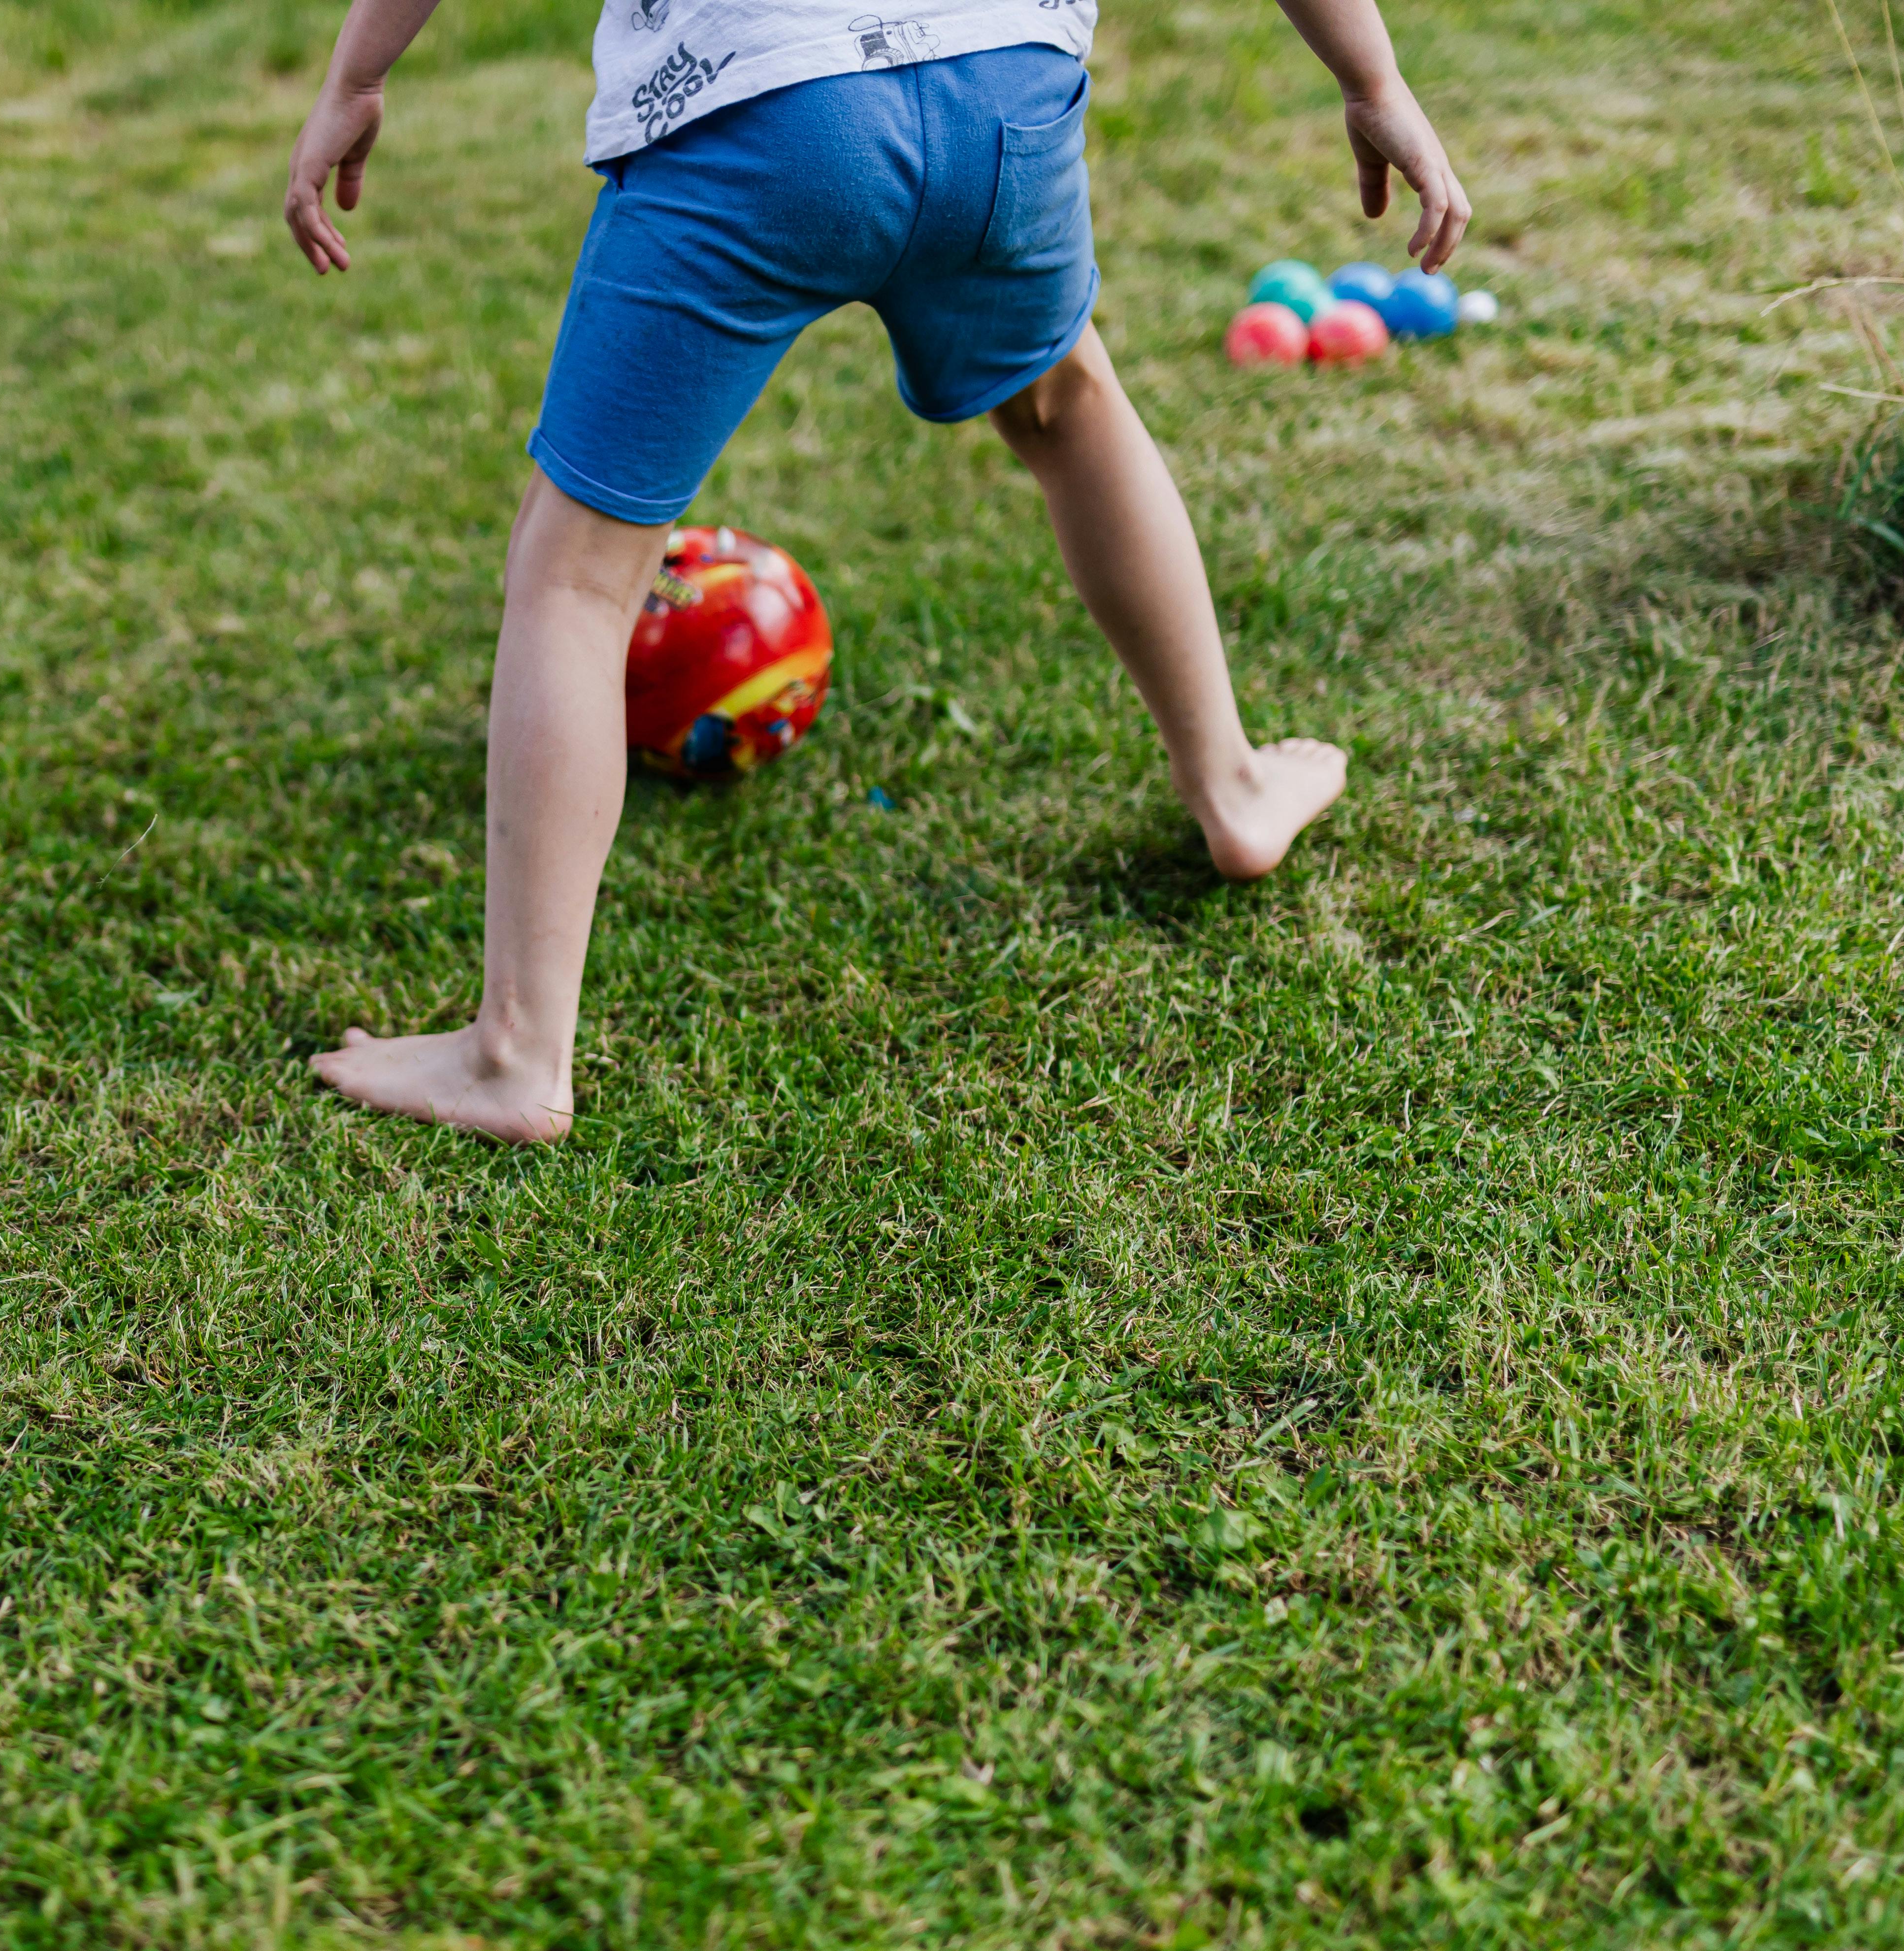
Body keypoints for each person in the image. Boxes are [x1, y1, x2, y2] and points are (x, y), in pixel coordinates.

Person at [282, 0, 1470, 1143]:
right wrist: (1373, 81)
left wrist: (355, 76)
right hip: (1000, 90)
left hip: (758, 108)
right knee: (1071, 409)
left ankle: (517, 1050)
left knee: (578, 577)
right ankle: (1231, 784)